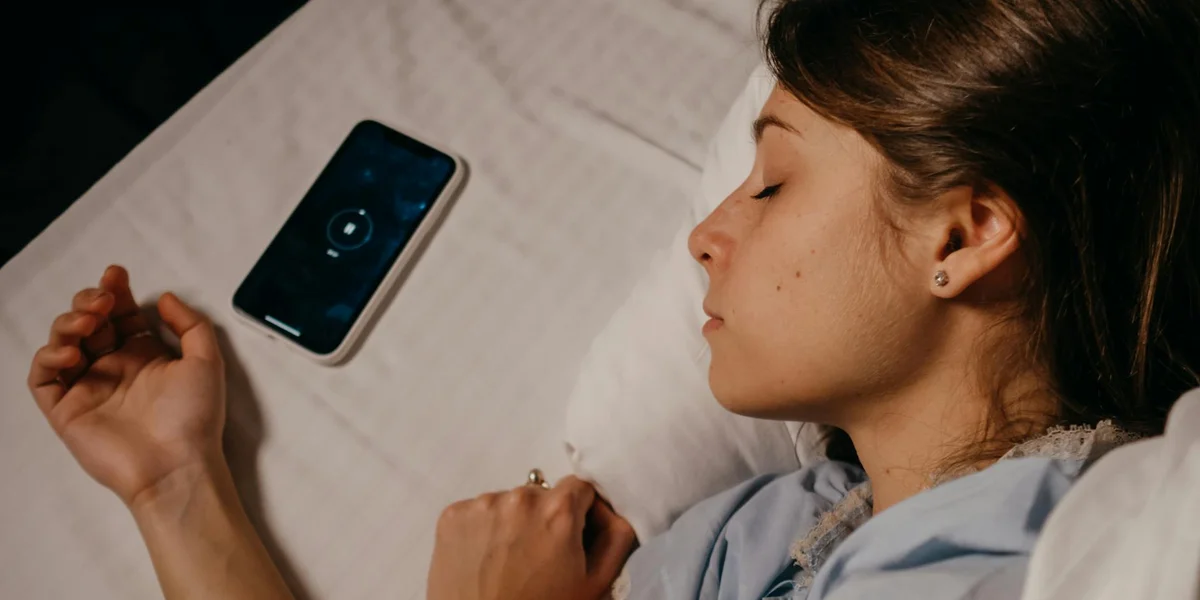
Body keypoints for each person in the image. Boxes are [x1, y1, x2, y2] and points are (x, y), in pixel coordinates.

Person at [25, 0, 1200, 597]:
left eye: (776, 181)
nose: (705, 234)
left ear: (963, 232)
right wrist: (176, 485)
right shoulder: (768, 525)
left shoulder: (1021, 567)